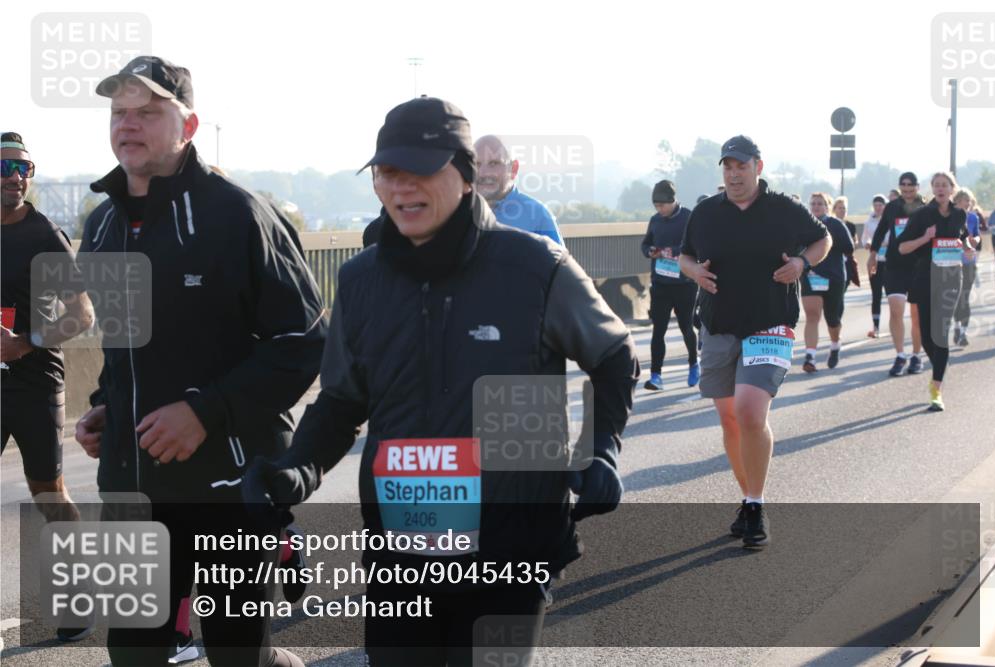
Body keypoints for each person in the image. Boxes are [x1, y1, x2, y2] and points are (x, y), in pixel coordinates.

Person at [241, 97, 638, 665]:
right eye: (387, 172)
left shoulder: (536, 267)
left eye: (419, 170)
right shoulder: (360, 282)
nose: (401, 187)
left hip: (510, 550)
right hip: (400, 554)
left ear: (465, 171)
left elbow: (614, 356)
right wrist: (295, 469)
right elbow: (341, 401)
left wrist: (601, 449)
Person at [73, 56, 323, 667]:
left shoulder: (239, 214)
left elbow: (305, 344)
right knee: (132, 653)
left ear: (188, 126)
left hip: (228, 491)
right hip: (130, 491)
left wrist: (205, 413)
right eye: (119, 113)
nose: (128, 125)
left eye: (148, 112)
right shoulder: (101, 225)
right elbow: (124, 350)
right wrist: (105, 407)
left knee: (238, 654)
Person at [679, 135, 831, 548]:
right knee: (729, 418)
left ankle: (756, 503)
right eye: (727, 167)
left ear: (758, 168)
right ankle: (748, 500)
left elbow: (823, 240)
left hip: (770, 323)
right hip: (717, 324)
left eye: (741, 166)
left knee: (749, 411)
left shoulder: (784, 209)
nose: (733, 174)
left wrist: (802, 262)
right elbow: (684, 256)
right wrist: (694, 273)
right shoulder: (706, 212)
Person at [1, 132, 96, 641]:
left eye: (24, 168)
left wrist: (24, 342)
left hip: (35, 381)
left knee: (48, 495)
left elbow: (82, 313)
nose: (16, 177)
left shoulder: (44, 234)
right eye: (5, 167)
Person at [897, 172, 974, 411]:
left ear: (952, 189)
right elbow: (902, 248)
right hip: (924, 280)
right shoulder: (922, 215)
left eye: (945, 185)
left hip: (951, 279)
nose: (940, 189)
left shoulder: (960, 214)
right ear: (932, 189)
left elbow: (963, 238)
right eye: (936, 185)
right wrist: (925, 238)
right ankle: (939, 365)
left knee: (940, 332)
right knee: (929, 336)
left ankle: (936, 388)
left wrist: (969, 248)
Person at [640, 180, 699, 390]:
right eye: (656, 206)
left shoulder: (688, 217)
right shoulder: (655, 220)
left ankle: (694, 364)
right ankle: (656, 376)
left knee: (686, 327)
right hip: (661, 284)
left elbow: (696, 245)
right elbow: (645, 244)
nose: (659, 210)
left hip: (685, 284)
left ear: (672, 201)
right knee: (659, 330)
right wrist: (650, 251)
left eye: (662, 205)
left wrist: (673, 252)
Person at [868, 172, 925, 376]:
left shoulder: (925, 207)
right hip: (895, 265)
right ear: (900, 187)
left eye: (911, 185)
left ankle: (916, 356)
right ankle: (900, 355)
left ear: (918, 186)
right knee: (895, 310)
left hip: (918, 266)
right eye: (904, 184)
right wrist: (873, 255)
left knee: (917, 317)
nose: (907, 188)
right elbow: (881, 230)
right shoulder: (892, 207)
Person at [473, 134, 564, 245]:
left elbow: (558, 261)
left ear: (513, 168)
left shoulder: (538, 218)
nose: (483, 173)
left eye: (494, 163)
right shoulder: (456, 212)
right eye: (476, 164)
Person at [800, 193, 854, 372]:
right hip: (810, 275)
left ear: (827, 206)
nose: (816, 206)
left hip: (834, 276)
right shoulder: (804, 224)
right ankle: (810, 357)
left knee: (832, 318)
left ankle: (835, 345)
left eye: (820, 204)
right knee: (812, 315)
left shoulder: (835, 224)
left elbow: (849, 248)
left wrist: (827, 244)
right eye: (813, 203)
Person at [952, 188, 982, 347]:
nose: (969, 204)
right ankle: (956, 327)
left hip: (969, 262)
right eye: (966, 201)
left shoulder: (973, 217)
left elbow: (977, 235)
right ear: (957, 201)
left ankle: (963, 333)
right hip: (953, 263)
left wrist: (975, 239)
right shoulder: (949, 216)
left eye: (970, 201)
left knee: (964, 298)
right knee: (955, 298)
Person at [861, 194, 889, 337]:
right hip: (875, 260)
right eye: (876, 205)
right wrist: (867, 243)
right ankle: (876, 327)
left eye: (881, 205)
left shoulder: (891, 219)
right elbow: (864, 238)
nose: (878, 208)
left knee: (892, 295)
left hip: (890, 261)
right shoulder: (869, 221)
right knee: (876, 295)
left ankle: (895, 322)